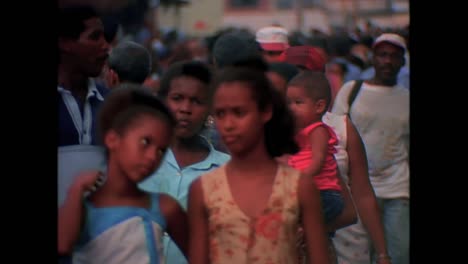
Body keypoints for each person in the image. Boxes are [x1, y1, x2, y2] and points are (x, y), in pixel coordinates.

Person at [187, 62, 332, 264]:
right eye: (220, 114)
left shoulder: (298, 187)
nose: (228, 125)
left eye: (239, 113)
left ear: (265, 112)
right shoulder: (203, 189)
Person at [58, 86, 188, 263]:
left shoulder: (164, 207)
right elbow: (63, 245)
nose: (152, 157)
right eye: (145, 142)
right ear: (113, 139)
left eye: (161, 150)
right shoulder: (83, 209)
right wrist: (76, 190)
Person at [138, 61, 230, 264]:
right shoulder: (137, 160)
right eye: (177, 99)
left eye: (197, 101)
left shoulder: (227, 171)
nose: (185, 109)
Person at [332, 33, 409, 264]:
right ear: (372, 58)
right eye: (383, 55)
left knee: (398, 255)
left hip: (397, 190)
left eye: (394, 57)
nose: (388, 61)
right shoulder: (352, 91)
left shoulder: (406, 98)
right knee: (360, 256)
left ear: (403, 62)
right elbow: (335, 135)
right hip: (357, 190)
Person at [285, 71, 357, 263]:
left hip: (324, 194)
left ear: (319, 106)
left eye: (297, 103)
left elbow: (317, 161)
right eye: (288, 103)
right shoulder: (295, 137)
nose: (291, 109)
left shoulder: (318, 131)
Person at [58, 5, 111, 147]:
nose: (105, 46)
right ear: (65, 43)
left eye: (104, 37)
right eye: (95, 37)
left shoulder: (111, 102)